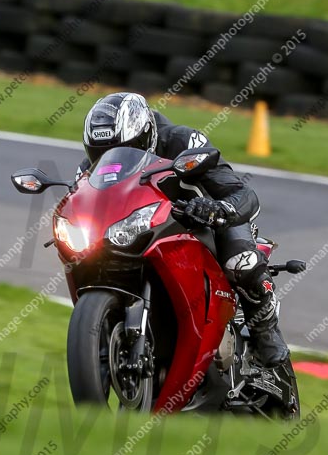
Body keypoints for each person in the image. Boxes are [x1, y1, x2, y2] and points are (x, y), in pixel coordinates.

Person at [76, 92, 289, 368]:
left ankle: (266, 330)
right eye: (100, 154)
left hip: (205, 221)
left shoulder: (182, 141)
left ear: (145, 135)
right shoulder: (90, 169)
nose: (110, 160)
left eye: (123, 149)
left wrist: (219, 209)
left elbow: (242, 192)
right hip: (142, 228)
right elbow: (79, 200)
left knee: (241, 263)